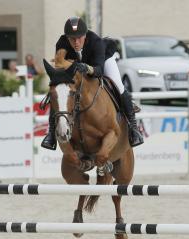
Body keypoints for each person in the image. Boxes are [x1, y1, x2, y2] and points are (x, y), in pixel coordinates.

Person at [41, 17, 143, 150]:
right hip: (77, 68)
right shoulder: (62, 42)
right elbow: (60, 67)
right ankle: (51, 134)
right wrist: (75, 67)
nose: (76, 42)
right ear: (67, 37)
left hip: (103, 61)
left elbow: (99, 70)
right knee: (59, 93)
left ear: (85, 35)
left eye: (79, 38)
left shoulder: (96, 42)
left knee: (118, 84)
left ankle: (133, 129)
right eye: (72, 39)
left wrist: (88, 68)